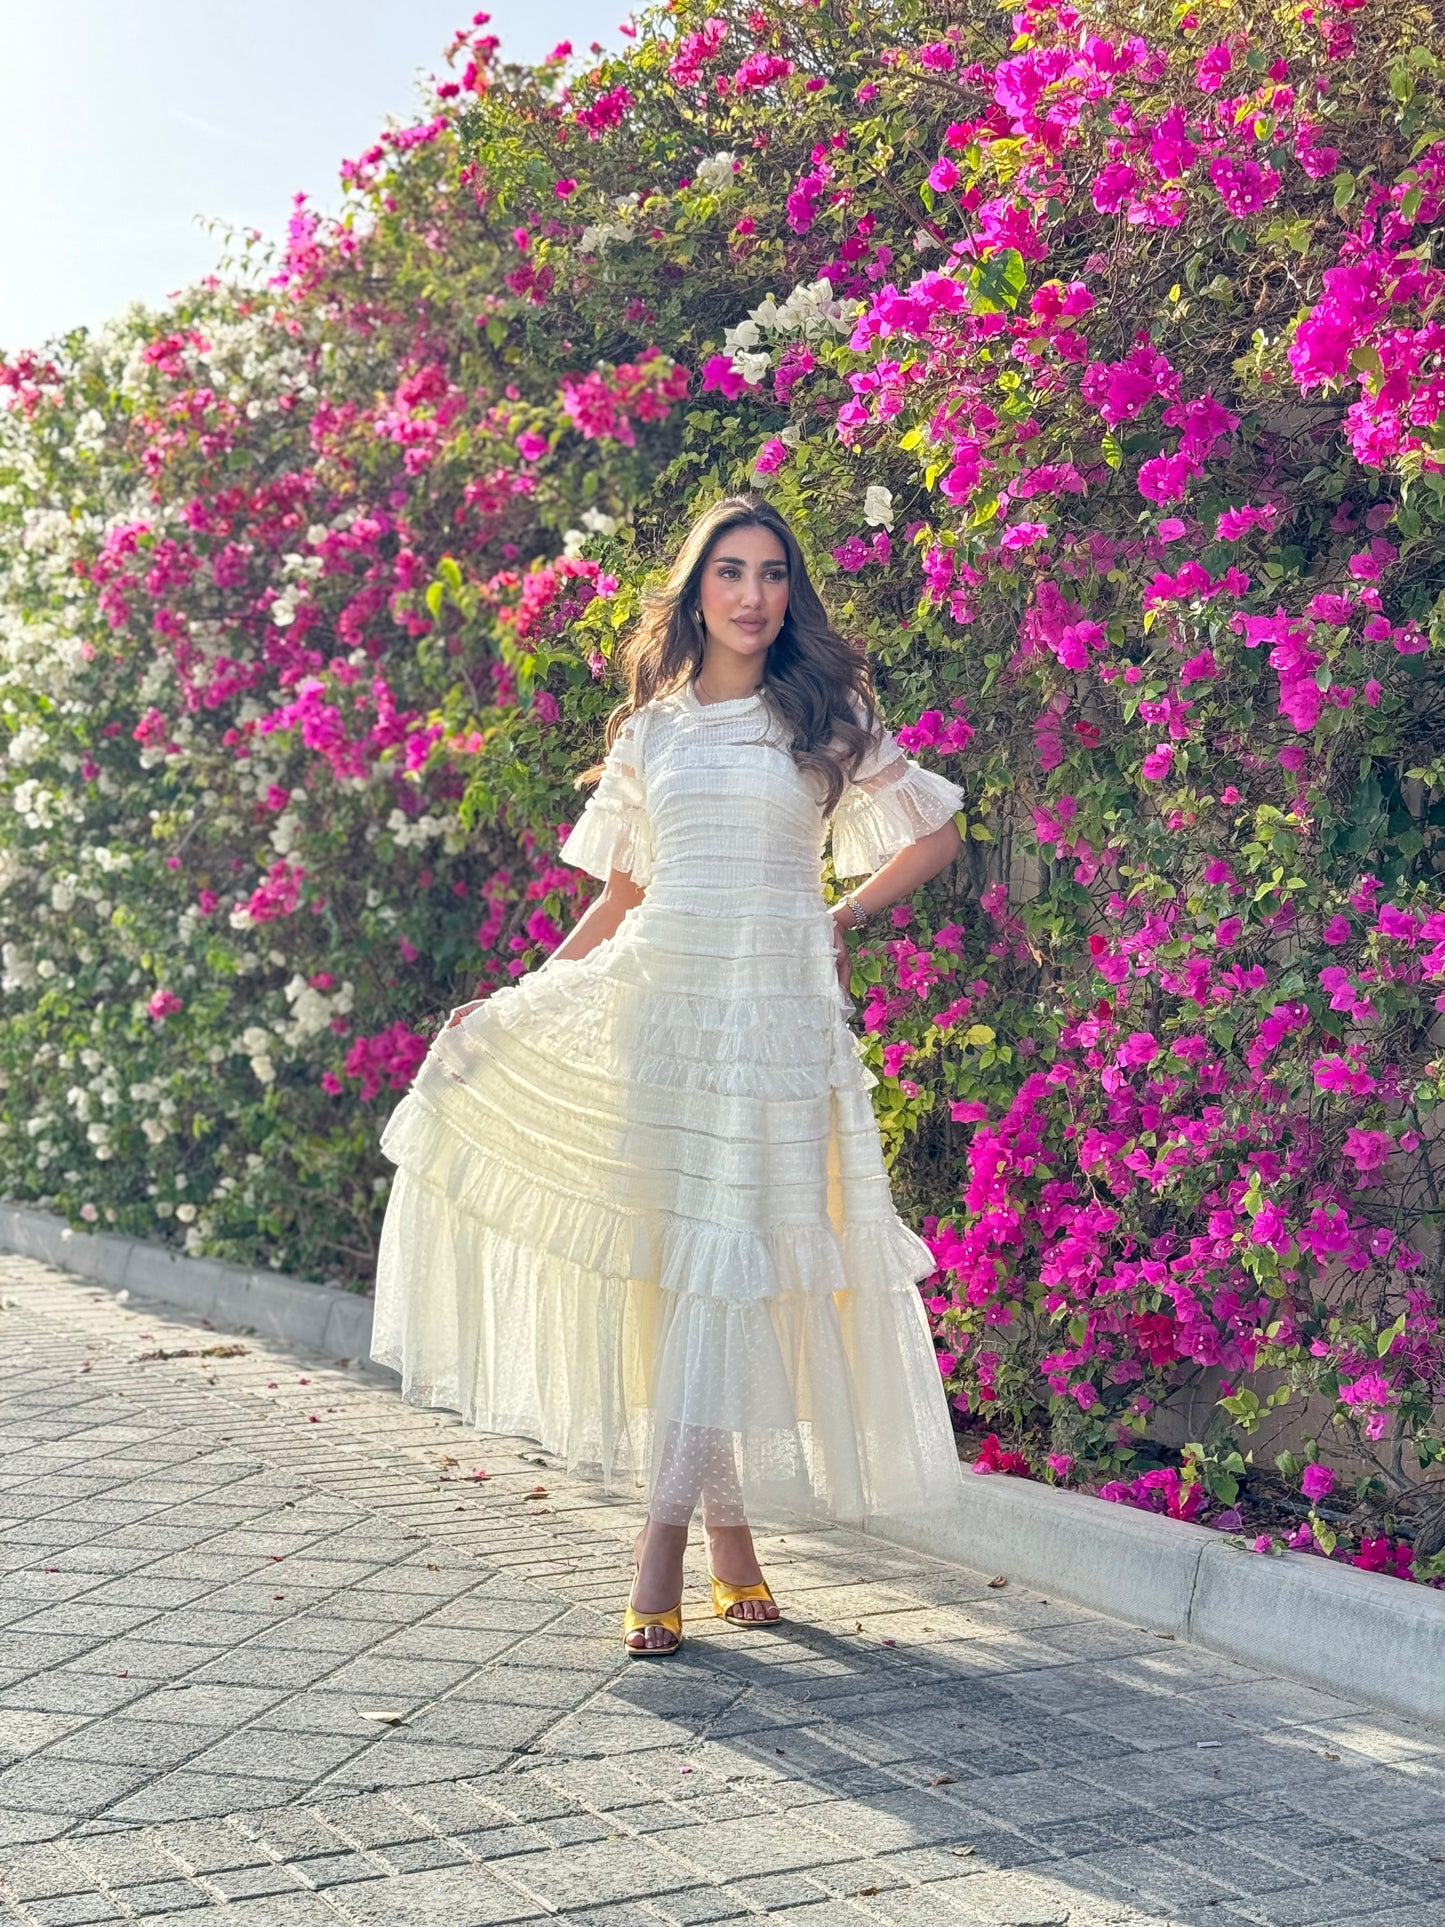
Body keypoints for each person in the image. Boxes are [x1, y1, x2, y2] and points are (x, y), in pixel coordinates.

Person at [370, 493, 966, 1656]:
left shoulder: (824, 716)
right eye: (731, 572)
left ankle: (667, 1540)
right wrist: (518, 1000)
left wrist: (831, 915)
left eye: (773, 574)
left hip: (777, 1031)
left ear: (790, 593)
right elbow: (620, 895)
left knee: (733, 1265)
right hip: (660, 1017)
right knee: (687, 1268)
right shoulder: (652, 732)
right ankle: (720, 1533)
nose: (753, 595)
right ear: (696, 590)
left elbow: (931, 835)